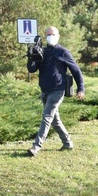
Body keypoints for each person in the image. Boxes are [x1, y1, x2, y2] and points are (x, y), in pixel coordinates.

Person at [26, 26, 85, 157]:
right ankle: (68, 143)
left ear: (58, 36)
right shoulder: (43, 51)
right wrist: (31, 56)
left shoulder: (63, 52)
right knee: (55, 120)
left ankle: (36, 146)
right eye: (48, 34)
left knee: (46, 117)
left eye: (53, 34)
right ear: (44, 36)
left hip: (58, 90)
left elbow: (76, 71)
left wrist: (81, 89)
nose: (50, 36)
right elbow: (32, 70)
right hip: (45, 90)